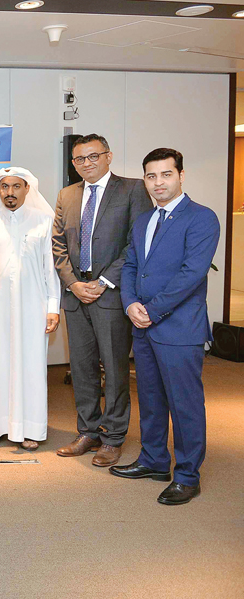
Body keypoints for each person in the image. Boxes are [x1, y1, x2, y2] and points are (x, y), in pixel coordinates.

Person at [112, 148, 219, 506]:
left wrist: (151, 311)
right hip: (143, 326)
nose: (158, 183)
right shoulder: (143, 220)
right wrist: (129, 304)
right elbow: (130, 266)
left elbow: (192, 274)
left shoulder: (202, 218)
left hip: (179, 329)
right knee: (152, 400)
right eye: (151, 176)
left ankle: (188, 475)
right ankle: (154, 460)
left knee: (184, 404)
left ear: (181, 175)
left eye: (166, 175)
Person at [52, 135, 152, 467]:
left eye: (93, 156)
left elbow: (136, 243)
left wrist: (104, 281)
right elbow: (57, 245)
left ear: (108, 156)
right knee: (81, 369)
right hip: (76, 296)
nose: (87, 163)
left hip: (111, 293)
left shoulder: (133, 189)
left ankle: (112, 437)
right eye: (79, 159)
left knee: (115, 367)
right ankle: (88, 431)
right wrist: (74, 284)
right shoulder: (67, 195)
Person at [0, 167, 60, 451]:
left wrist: (53, 307)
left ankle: (30, 429)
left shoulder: (44, 220)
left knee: (29, 365)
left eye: (16, 186)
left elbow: (50, 269)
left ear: (27, 189)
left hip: (33, 307)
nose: (10, 192)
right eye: (4, 187)